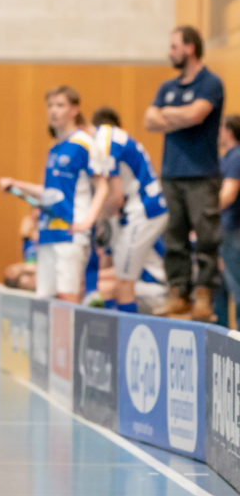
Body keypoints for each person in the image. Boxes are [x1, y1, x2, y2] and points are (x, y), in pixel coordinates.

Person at [144, 25, 225, 322]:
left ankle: (203, 294)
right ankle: (178, 293)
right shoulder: (167, 88)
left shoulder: (210, 82)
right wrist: (179, 116)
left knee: (205, 239)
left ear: (190, 47)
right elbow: (149, 120)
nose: (170, 52)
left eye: (175, 46)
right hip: (171, 173)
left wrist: (170, 116)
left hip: (202, 174)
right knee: (174, 238)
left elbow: (197, 115)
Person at [0, 86, 108, 303]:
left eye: (60, 105)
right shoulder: (54, 149)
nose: (53, 111)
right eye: (50, 106)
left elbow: (102, 185)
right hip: (48, 232)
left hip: (70, 232)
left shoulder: (84, 143)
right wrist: (16, 184)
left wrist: (87, 222)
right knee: (44, 299)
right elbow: (48, 193)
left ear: (74, 109)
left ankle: (70, 338)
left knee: (67, 296)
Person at [90, 107, 168, 313]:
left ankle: (123, 340)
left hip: (158, 289)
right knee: (107, 285)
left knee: (117, 286)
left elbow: (114, 198)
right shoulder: (121, 221)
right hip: (140, 212)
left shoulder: (105, 141)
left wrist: (95, 219)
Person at [217, 115, 240, 325]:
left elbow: (228, 195)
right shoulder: (226, 158)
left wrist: (202, 214)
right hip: (225, 231)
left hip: (234, 232)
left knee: (237, 289)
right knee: (220, 290)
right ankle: (221, 342)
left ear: (229, 131)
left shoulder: (237, 156)